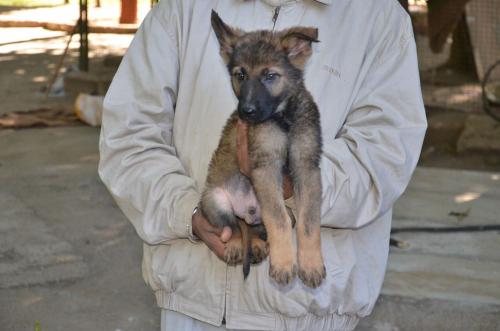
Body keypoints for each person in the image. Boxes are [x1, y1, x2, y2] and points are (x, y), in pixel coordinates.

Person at [98, 0, 427, 330]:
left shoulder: (377, 17)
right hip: (193, 305)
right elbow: (128, 135)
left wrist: (287, 183)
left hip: (309, 314)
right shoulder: (184, 8)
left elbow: (383, 157)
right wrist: (191, 213)